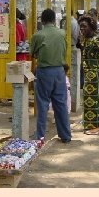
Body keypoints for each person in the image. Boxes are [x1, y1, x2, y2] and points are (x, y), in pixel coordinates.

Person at [29, 8, 72, 143]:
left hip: (44, 71)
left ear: (42, 20)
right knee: (60, 104)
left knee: (42, 104)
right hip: (59, 71)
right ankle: (65, 135)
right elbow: (65, 50)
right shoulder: (62, 33)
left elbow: (33, 53)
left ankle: (40, 136)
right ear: (54, 20)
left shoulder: (38, 35)